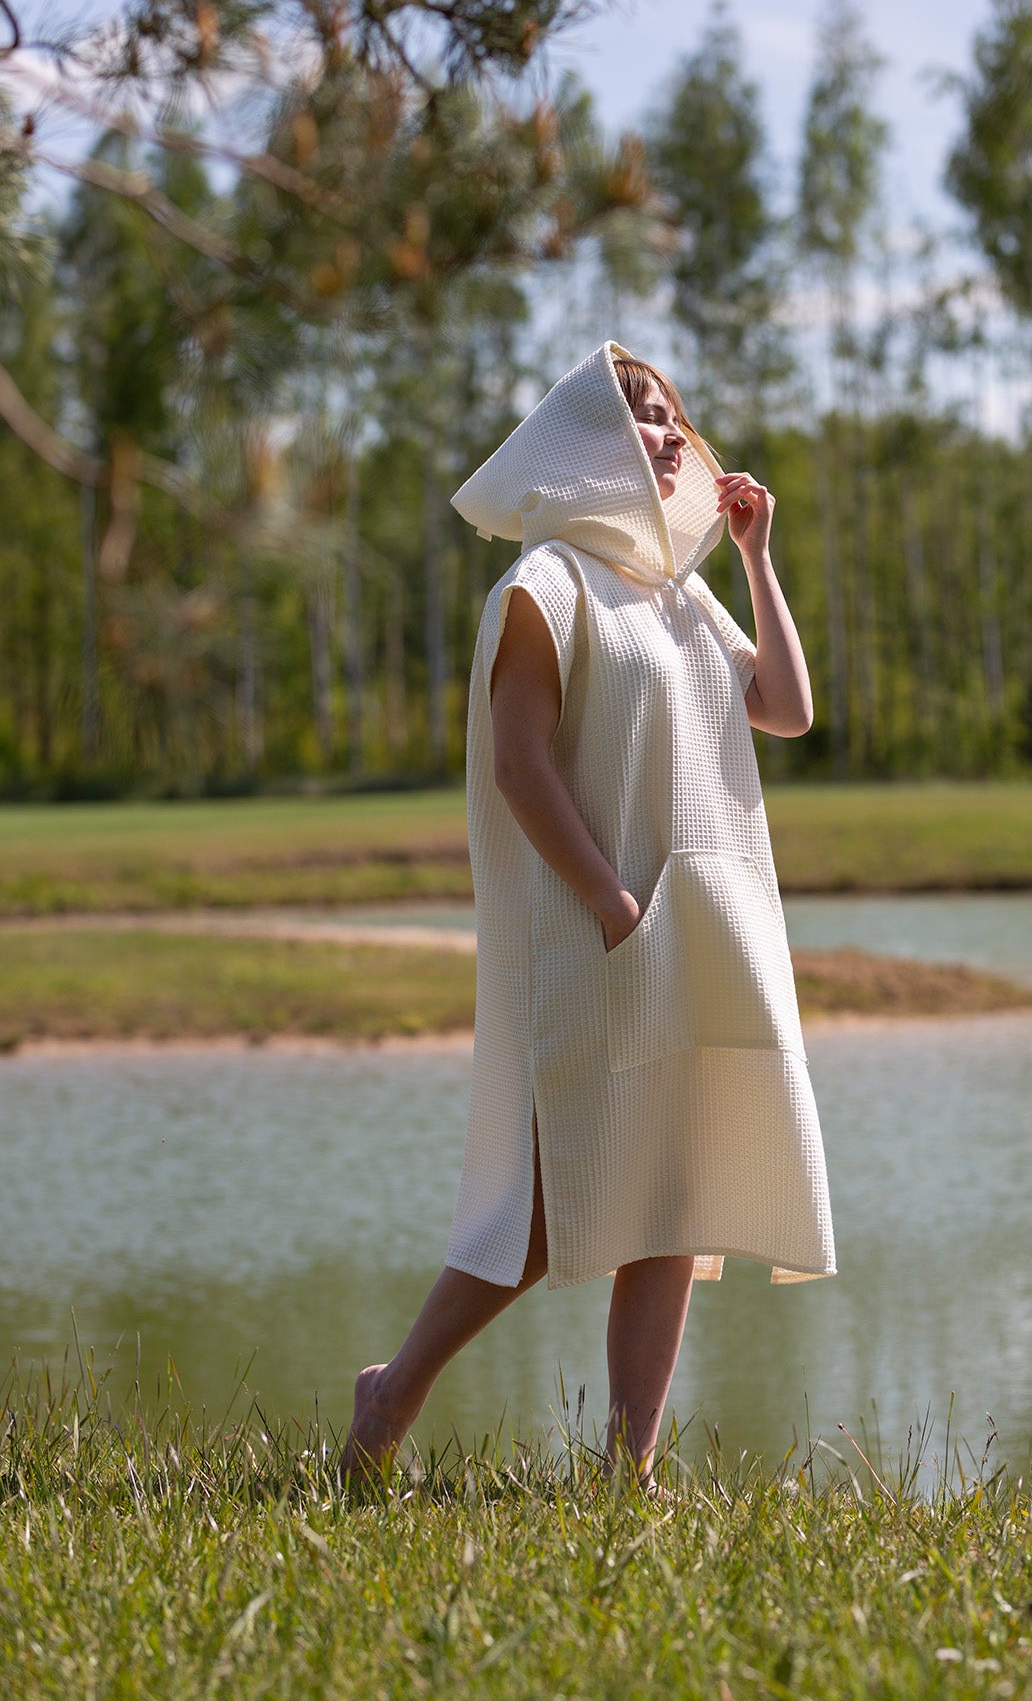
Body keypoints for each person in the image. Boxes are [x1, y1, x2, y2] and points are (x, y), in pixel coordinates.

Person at [343, 341, 835, 1487]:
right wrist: (611, 901)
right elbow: (520, 764)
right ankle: (394, 1389)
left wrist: (756, 555)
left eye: (672, 416)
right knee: (548, 1196)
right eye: (641, 414)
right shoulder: (548, 584)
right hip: (600, 926)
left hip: (696, 929)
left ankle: (628, 1470)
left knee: (676, 1195)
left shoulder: (679, 589)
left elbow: (787, 706)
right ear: (587, 436)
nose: (669, 435)